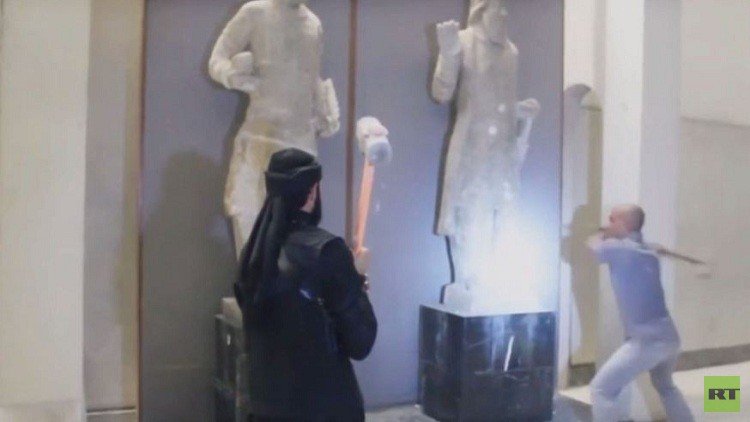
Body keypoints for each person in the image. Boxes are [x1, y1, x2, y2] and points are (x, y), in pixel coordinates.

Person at [234, 148, 377, 421]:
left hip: (268, 409)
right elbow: (361, 341)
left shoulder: (253, 254)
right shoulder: (327, 252)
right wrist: (356, 277)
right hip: (324, 410)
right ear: (312, 192)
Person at [587, 205, 693, 422]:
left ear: (623, 224)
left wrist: (602, 232)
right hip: (669, 338)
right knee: (665, 386)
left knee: (601, 389)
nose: (608, 221)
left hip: (645, 341)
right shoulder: (648, 251)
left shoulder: (617, 248)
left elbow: (592, 245)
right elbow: (649, 247)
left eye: (612, 219)